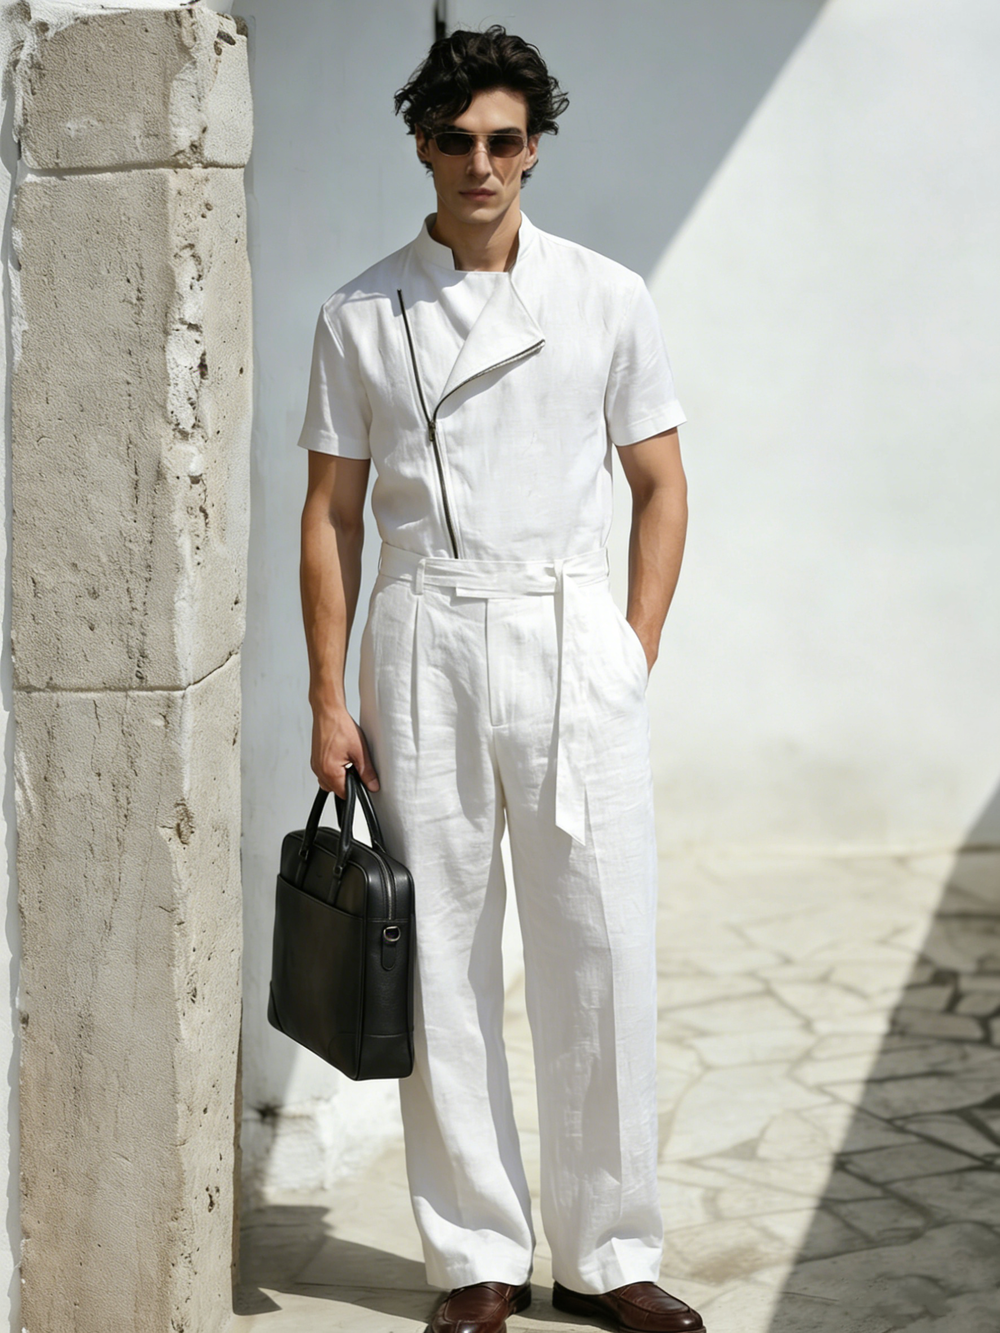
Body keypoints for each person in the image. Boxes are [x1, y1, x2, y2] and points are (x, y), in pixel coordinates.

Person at [296, 25, 700, 1333]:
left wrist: (630, 650)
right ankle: (475, 1254)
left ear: (535, 150)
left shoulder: (607, 297)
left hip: (571, 639)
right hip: (424, 641)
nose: (481, 163)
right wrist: (328, 695)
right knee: (442, 956)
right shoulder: (362, 314)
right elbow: (331, 517)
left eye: (505, 140)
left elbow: (660, 486)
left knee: (602, 947)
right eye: (457, 139)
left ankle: (612, 1256)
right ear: (423, 145)